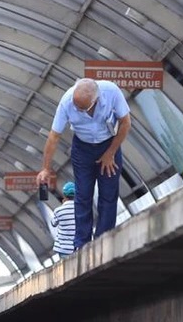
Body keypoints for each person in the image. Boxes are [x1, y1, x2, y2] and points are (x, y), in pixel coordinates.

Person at [36, 77, 131, 249]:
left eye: (82, 108)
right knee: (83, 193)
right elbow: (54, 136)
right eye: (76, 106)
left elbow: (125, 123)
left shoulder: (111, 92)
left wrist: (110, 153)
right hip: (82, 148)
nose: (77, 110)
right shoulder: (66, 102)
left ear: (95, 100)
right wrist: (45, 169)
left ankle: (104, 238)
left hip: (109, 144)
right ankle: (82, 242)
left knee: (108, 193)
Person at [50, 181, 77, 258]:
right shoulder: (80, 210)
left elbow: (53, 223)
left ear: (64, 196)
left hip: (63, 248)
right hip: (77, 246)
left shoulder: (59, 210)